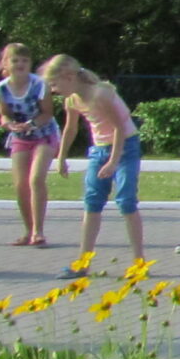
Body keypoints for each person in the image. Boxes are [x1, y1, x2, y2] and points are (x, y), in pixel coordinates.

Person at [38, 54, 146, 278]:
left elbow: (119, 129)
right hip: (99, 149)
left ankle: (139, 262)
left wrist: (113, 161)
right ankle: (83, 263)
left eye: (55, 84)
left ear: (68, 77)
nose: (53, 90)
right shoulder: (72, 100)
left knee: (126, 200)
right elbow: (70, 129)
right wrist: (61, 157)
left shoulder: (100, 93)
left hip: (125, 147)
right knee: (92, 202)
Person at [0, 42, 60, 247]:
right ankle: (28, 230)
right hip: (20, 137)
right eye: (15, 60)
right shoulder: (2, 89)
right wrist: (9, 124)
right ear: (6, 63)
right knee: (20, 185)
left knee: (36, 179)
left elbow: (47, 113)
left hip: (44, 134)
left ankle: (39, 231)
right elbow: (4, 115)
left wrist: (31, 124)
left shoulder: (39, 84)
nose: (20, 64)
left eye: (25, 60)